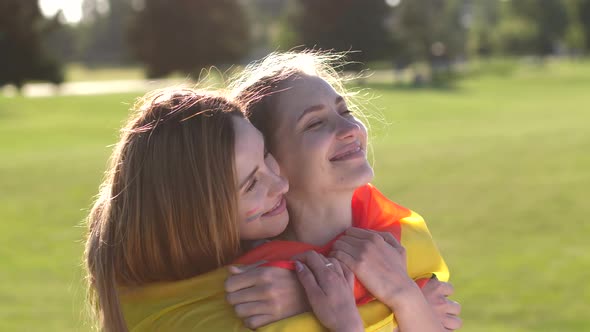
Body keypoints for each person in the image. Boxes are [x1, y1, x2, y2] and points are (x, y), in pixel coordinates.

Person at [84, 88, 398, 332]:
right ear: (198, 217)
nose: (280, 185)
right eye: (250, 185)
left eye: (266, 155)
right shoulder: (212, 320)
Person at [224, 51, 462, 331]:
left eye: (345, 111)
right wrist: (408, 307)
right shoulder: (258, 288)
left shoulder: (403, 239)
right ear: (268, 160)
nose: (350, 128)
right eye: (315, 123)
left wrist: (403, 296)